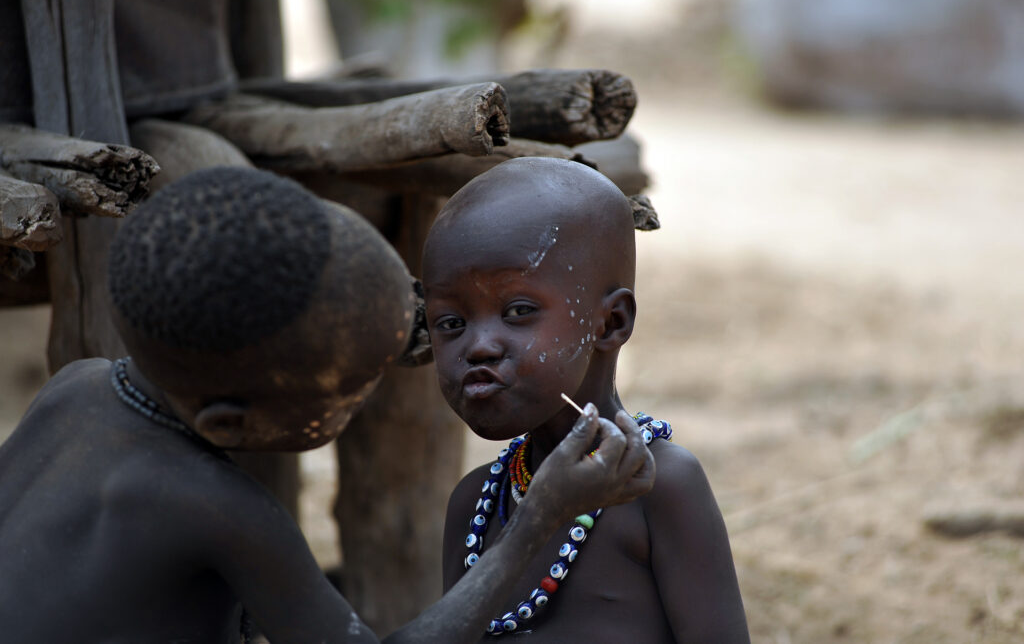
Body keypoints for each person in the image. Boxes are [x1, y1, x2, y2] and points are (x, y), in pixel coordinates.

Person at [0, 166, 656, 643]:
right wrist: (538, 518)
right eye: (352, 389)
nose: (372, 390)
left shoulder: (78, 389)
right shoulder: (216, 506)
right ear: (232, 424)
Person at [423, 157, 750, 642]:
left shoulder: (660, 487)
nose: (479, 346)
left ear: (611, 322)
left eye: (517, 310)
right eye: (451, 323)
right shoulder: (476, 504)